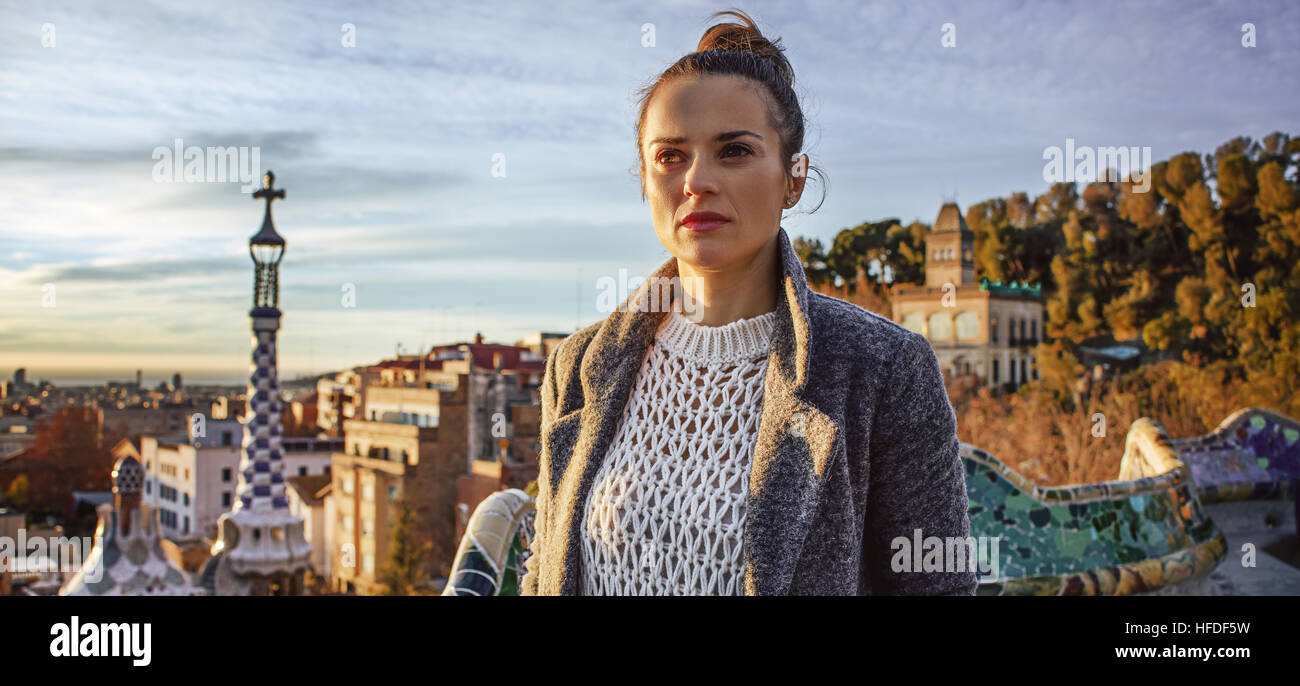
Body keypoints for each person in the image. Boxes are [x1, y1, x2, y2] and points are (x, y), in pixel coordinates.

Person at [521, 8, 976, 595]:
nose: (697, 180)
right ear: (644, 179)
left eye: (733, 151)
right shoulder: (579, 365)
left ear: (793, 179)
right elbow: (545, 569)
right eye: (670, 155)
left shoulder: (884, 369)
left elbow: (937, 586)